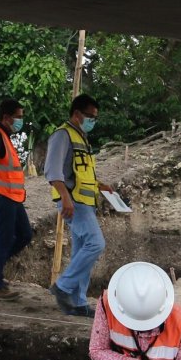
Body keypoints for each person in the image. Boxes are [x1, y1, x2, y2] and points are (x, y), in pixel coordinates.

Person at [47, 94, 113, 317]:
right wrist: (65, 198)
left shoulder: (82, 138)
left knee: (81, 252)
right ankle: (62, 286)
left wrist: (100, 185)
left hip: (85, 202)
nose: (93, 121)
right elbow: (52, 171)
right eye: (90, 116)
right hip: (74, 203)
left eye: (95, 117)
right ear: (77, 114)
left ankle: (77, 302)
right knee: (96, 243)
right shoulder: (62, 135)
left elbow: (80, 173)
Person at [0, 98, 33, 300]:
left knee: (25, 234)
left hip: (11, 197)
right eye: (18, 117)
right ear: (6, 117)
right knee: (5, 238)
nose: (20, 120)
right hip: (2, 197)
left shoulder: (4, 137)